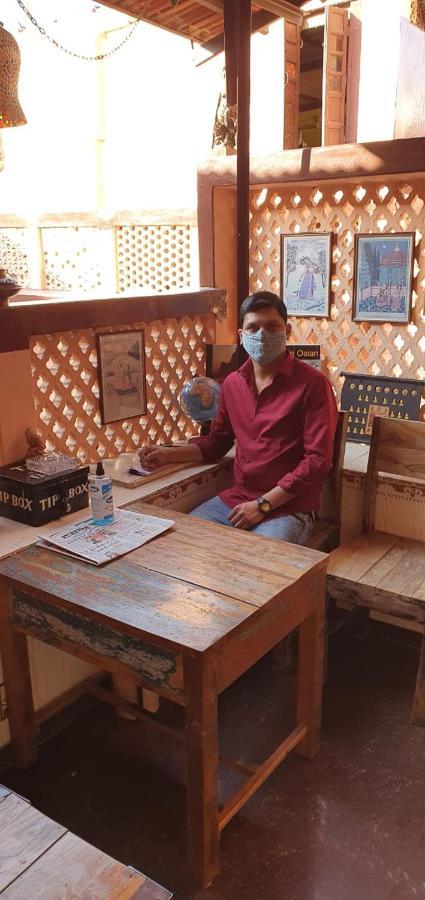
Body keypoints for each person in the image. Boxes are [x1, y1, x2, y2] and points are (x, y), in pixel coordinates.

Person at [139, 291, 338, 546]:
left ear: (287, 331)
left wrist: (263, 505)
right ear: (242, 336)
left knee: (258, 569)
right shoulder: (232, 384)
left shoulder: (313, 385)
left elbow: (317, 461)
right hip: (236, 501)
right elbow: (216, 443)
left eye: (271, 326)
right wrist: (168, 455)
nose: (262, 334)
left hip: (288, 508)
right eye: (253, 327)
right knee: (181, 545)